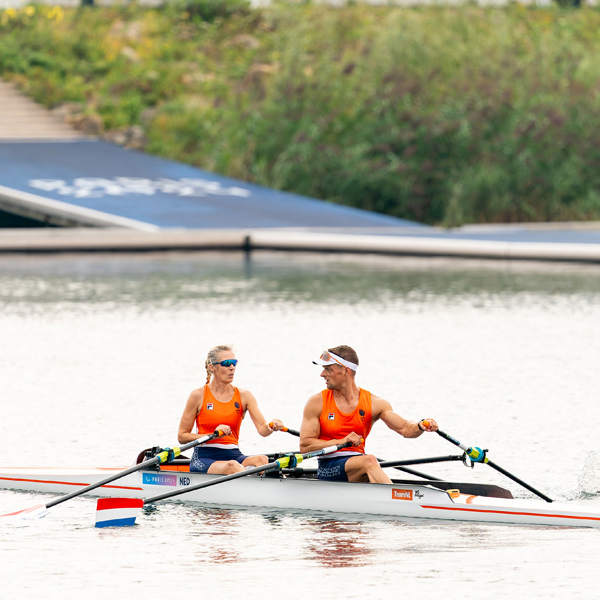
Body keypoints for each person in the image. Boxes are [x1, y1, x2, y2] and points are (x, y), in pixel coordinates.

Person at [299, 345, 438, 484]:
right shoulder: (317, 402)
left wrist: (421, 425)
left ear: (345, 371)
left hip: (358, 464)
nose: (322, 374)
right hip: (328, 467)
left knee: (368, 461)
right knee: (370, 461)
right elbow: (305, 446)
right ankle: (398, 499)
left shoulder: (374, 403)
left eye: (328, 369)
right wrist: (340, 441)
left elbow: (406, 429)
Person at [178, 344, 284, 474]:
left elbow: (263, 430)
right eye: (227, 363)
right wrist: (212, 435)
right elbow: (182, 436)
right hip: (204, 457)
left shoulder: (245, 396)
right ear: (212, 367)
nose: (232, 368)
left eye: (234, 363)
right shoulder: (198, 395)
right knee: (232, 466)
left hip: (234, 454)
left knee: (262, 460)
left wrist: (272, 427)